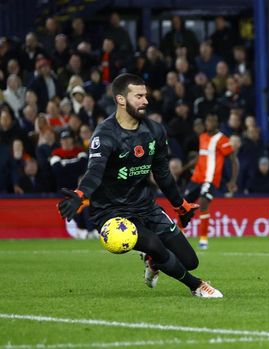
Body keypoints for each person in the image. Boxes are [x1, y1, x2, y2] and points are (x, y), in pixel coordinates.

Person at [57, 73, 223, 298]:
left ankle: (152, 261)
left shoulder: (155, 131)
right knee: (154, 244)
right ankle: (197, 286)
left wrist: (180, 205)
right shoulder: (105, 134)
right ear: (121, 100)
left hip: (144, 205)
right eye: (139, 96)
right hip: (111, 212)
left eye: (145, 95)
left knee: (190, 260)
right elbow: (94, 172)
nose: (145, 100)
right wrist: (80, 193)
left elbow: (162, 174)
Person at [184, 114, 239, 250]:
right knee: (183, 205)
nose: (209, 123)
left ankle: (203, 239)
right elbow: (200, 158)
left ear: (216, 123)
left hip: (210, 179)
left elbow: (233, 160)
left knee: (203, 202)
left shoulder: (222, 139)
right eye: (208, 121)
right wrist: (183, 169)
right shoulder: (202, 137)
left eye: (212, 121)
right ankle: (179, 232)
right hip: (196, 178)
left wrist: (232, 181)